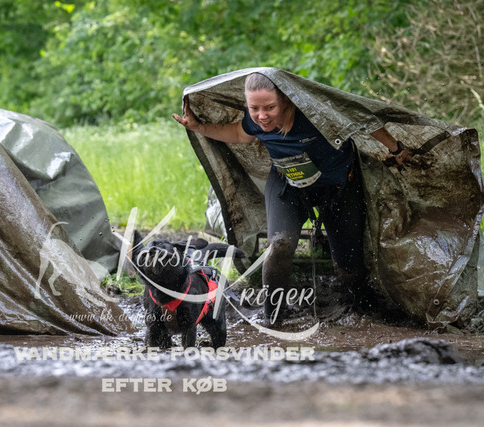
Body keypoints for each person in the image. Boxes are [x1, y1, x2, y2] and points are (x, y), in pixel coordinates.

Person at [172, 72, 415, 324]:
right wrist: (198, 127)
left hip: (340, 186)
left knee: (348, 264)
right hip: (288, 184)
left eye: (270, 107)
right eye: (254, 108)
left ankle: (361, 310)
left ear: (286, 100)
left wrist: (395, 148)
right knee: (280, 245)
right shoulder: (255, 122)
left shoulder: (314, 113)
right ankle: (273, 317)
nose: (262, 116)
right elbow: (239, 133)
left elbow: (360, 118)